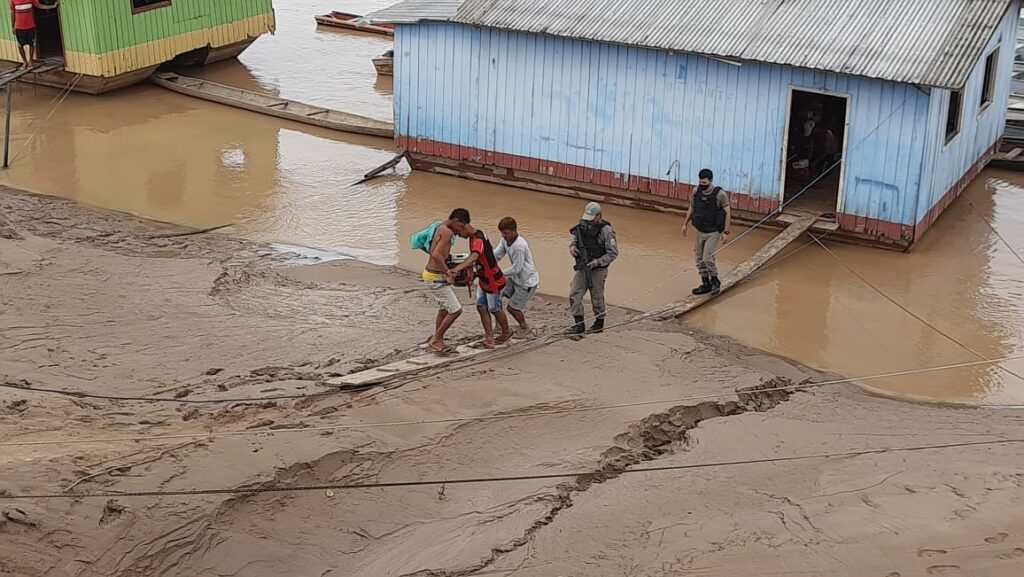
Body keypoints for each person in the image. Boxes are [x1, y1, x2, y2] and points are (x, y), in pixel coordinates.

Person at [448, 218, 511, 349]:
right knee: (481, 306)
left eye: (458, 232)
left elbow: (475, 256)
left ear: (464, 226)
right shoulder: (476, 236)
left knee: (495, 308)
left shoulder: (478, 240)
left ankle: (506, 332)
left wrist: (457, 269)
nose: (459, 236)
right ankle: (489, 338)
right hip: (484, 279)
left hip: (493, 281)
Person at [422, 209, 469, 354]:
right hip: (436, 276)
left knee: (444, 308)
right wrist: (448, 273)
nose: (460, 231)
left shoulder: (440, 227)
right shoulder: (448, 232)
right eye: (460, 227)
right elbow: (436, 255)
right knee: (456, 310)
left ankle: (438, 338)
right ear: (455, 221)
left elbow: (432, 251)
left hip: (430, 274)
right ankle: (436, 339)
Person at [568, 202, 618, 335]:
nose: (590, 221)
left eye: (592, 218)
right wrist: (572, 249)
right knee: (574, 293)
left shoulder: (606, 231)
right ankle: (579, 324)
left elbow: (613, 253)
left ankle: (599, 323)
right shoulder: (582, 226)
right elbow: (574, 242)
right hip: (582, 266)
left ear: (599, 215)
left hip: (598, 268)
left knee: (596, 296)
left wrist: (597, 262)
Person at [682, 169, 731, 296]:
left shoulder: (720, 194)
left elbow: (727, 212)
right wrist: (685, 224)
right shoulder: (695, 191)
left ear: (710, 181)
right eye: (700, 182)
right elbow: (691, 207)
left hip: (713, 231)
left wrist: (725, 232)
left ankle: (715, 281)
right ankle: (705, 283)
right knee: (699, 258)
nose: (702, 185)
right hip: (699, 230)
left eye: (704, 182)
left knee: (707, 258)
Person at [494, 217, 540, 338]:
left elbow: (517, 268)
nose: (504, 236)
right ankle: (498, 326)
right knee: (495, 294)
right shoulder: (504, 240)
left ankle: (524, 327)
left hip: (526, 282)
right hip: (515, 278)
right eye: (502, 233)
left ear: (514, 231)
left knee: (512, 308)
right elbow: (497, 255)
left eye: (506, 233)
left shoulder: (519, 246)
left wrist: (498, 274)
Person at [9, 0, 59, 70]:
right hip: (19, 27)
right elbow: (12, 12)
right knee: (20, 46)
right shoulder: (13, 1)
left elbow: (39, 6)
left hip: (30, 26)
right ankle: (25, 62)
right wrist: (13, 26)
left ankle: (30, 61)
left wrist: (53, 6)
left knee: (32, 44)